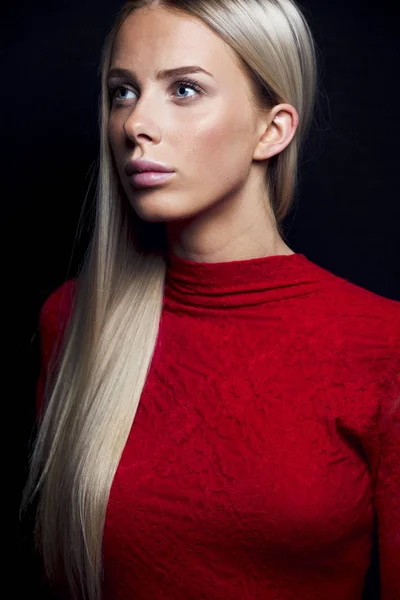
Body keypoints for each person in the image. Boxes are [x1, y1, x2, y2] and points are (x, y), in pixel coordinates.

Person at [21, 1, 400, 599]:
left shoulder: (381, 343)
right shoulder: (74, 317)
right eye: (123, 92)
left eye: (185, 90)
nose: (134, 124)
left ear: (271, 129)